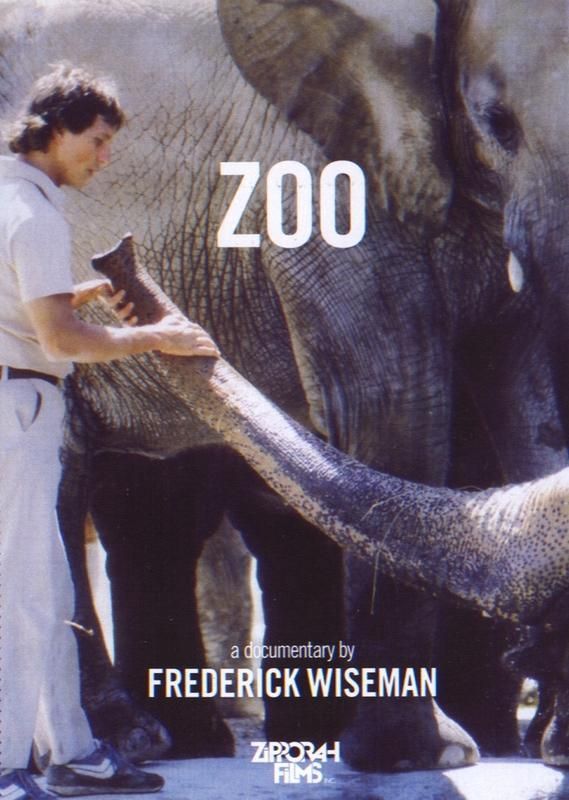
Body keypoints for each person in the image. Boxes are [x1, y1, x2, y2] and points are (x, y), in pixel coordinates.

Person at [0, 64, 219, 799]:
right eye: (95, 140)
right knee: (21, 593)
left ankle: (70, 753)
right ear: (53, 132)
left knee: (48, 589)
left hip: (13, 399)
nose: (104, 156)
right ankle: (7, 766)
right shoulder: (36, 214)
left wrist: (69, 295)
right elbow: (60, 340)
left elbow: (26, 306)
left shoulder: (7, 196)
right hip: (18, 407)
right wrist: (157, 337)